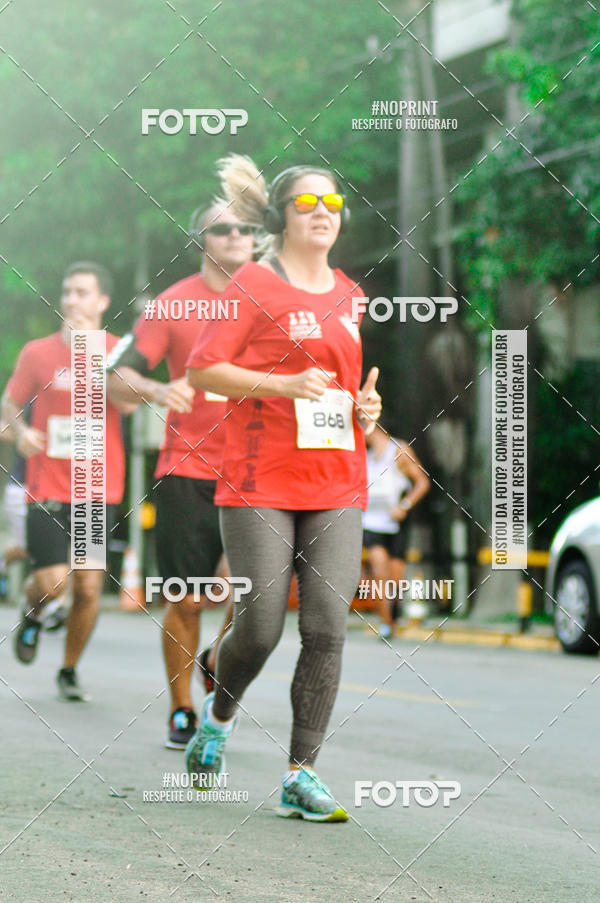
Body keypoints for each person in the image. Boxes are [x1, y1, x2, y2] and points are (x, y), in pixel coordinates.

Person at [185, 155, 381, 822]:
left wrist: (367, 410)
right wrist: (281, 385)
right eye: (307, 201)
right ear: (284, 216)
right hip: (257, 478)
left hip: (337, 477)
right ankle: (216, 716)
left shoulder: (351, 293)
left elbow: (343, 388)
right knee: (261, 628)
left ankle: (301, 772)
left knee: (326, 629)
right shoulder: (252, 286)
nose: (323, 210)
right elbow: (205, 370)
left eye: (332, 200)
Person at [106, 203, 255, 748]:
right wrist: (157, 390)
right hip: (189, 465)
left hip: (260, 468)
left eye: (246, 227)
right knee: (186, 596)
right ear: (201, 239)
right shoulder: (173, 303)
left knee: (251, 596)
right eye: (223, 227)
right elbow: (116, 377)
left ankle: (219, 657)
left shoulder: (275, 301)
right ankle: (182, 709)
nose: (236, 235)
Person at [2, 262, 133, 700]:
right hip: (48, 485)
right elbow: (10, 403)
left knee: (90, 586)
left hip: (97, 487)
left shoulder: (117, 350)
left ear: (102, 302)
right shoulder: (37, 353)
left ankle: (69, 669)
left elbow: (130, 403)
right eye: (67, 292)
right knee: (56, 580)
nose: (72, 301)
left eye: (82, 293)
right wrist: (22, 433)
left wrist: (91, 353)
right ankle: (34, 610)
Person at [363, 422, 430, 639]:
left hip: (395, 520)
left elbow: (422, 482)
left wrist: (405, 506)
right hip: (371, 521)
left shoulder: (399, 450)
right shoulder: (363, 455)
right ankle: (386, 623)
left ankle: (394, 612)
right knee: (378, 571)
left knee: (395, 578)